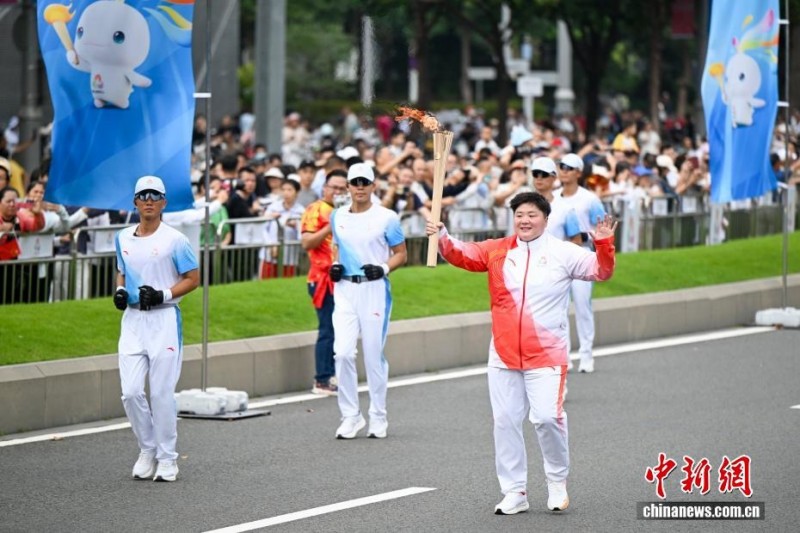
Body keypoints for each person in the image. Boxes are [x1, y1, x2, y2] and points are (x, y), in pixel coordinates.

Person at [425, 191, 617, 515]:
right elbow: (463, 254)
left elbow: (601, 270)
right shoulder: (498, 250)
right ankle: (514, 491)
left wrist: (603, 243)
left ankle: (557, 481)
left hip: (546, 354)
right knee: (505, 421)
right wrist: (441, 236)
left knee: (546, 418)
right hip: (502, 353)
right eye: (520, 215)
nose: (525, 220)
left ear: (545, 218)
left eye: (532, 214)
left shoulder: (563, 253)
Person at [113, 175, 199, 482]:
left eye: (155, 195)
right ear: (135, 202)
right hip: (133, 321)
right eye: (143, 195)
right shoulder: (122, 237)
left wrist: (163, 294)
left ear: (163, 202)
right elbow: (121, 273)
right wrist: (121, 292)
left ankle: (167, 458)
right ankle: (148, 449)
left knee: (161, 393)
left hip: (164, 320)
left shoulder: (175, 239)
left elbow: (193, 278)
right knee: (131, 392)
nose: (149, 200)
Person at [329, 163, 407, 439]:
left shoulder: (387, 217)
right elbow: (336, 248)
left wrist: (384, 268)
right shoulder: (337, 216)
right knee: (343, 353)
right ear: (348, 187)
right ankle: (351, 416)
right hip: (345, 290)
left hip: (374, 290)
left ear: (374, 186)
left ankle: (378, 415)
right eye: (355, 182)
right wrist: (335, 264)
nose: (360, 187)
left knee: (373, 356)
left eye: (365, 182)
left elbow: (401, 253)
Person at [553, 153, 608, 373]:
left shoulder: (589, 199)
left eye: (568, 167)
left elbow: (604, 229)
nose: (563, 170)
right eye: (561, 166)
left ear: (578, 172)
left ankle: (586, 354)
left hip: (581, 255)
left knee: (583, 306)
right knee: (559, 309)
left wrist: (584, 237)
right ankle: (564, 356)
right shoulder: (553, 199)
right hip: (557, 258)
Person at [300, 169, 349, 396]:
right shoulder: (315, 210)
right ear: (325, 188)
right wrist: (332, 223)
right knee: (327, 329)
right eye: (334, 188)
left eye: (342, 188)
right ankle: (321, 379)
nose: (338, 192)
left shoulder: (350, 211)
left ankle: (334, 375)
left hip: (344, 279)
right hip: (322, 279)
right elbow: (307, 242)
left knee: (342, 329)